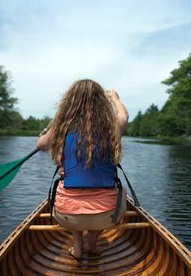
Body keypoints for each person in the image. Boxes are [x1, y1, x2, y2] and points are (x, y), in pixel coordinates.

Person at [36, 79, 128, 259]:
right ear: (101, 102)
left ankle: (77, 247)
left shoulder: (61, 128)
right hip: (108, 214)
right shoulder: (112, 128)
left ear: (69, 101)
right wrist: (115, 99)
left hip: (66, 215)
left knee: (71, 201)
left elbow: (40, 145)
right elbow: (124, 116)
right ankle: (91, 243)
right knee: (119, 193)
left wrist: (45, 134)